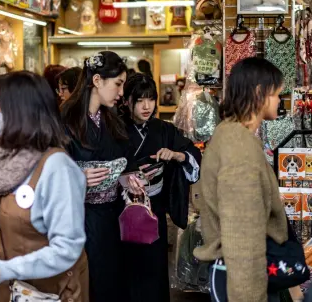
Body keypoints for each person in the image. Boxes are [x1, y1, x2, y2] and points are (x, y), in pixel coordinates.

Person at [0, 71, 88, 302]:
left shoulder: (57, 168)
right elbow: (2, 211)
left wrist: (5, 270)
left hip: (48, 293)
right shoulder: (5, 162)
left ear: (19, 112)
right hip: (4, 291)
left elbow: (66, 248)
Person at [193, 57, 288, 302]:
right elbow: (241, 234)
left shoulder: (233, 134)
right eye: (277, 94)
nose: (280, 100)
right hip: (241, 280)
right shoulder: (239, 145)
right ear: (259, 93)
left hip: (236, 272)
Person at [61, 51, 142, 301]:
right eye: (117, 84)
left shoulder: (112, 118)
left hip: (113, 215)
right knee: (89, 283)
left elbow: (122, 162)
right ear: (97, 80)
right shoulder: (65, 119)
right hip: (80, 219)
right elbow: (50, 171)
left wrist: (127, 179)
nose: (121, 93)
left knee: (114, 282)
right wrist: (79, 177)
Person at [121, 73, 201, 302]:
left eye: (151, 99)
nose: (147, 106)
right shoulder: (116, 129)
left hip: (153, 210)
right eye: (139, 100)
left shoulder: (164, 130)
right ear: (127, 101)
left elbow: (192, 154)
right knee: (126, 272)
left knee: (154, 271)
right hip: (122, 210)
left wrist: (176, 155)